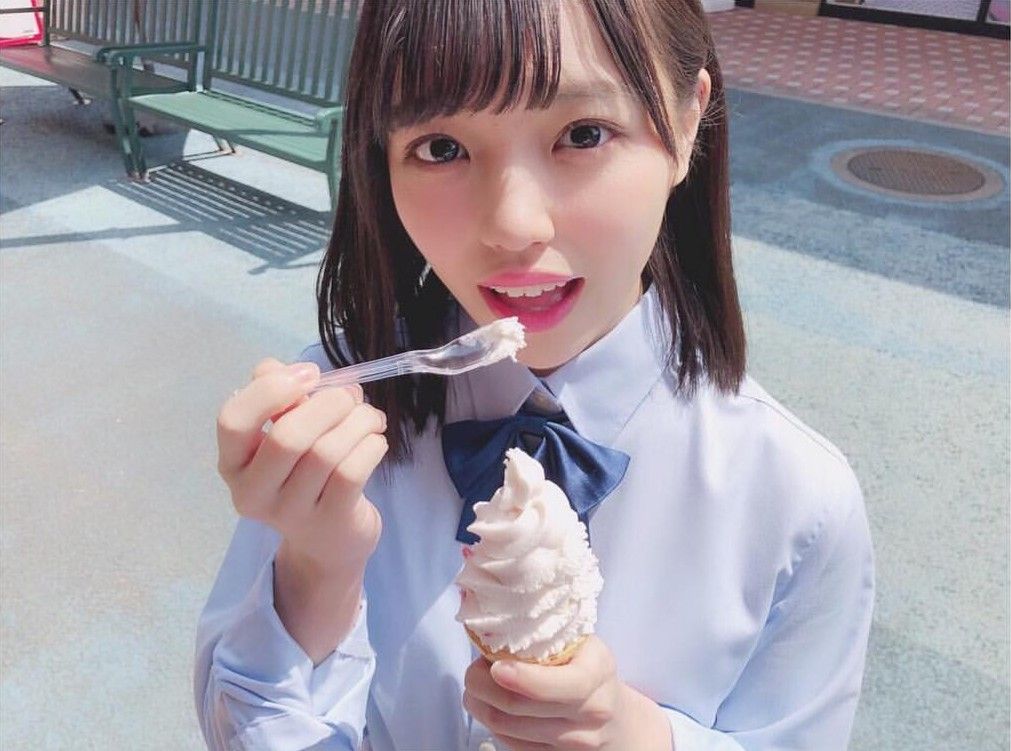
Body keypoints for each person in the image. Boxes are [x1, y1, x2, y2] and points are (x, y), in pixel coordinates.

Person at [196, 0, 875, 749]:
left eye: (583, 134)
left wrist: (637, 737)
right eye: (442, 148)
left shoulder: (798, 500)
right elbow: (237, 725)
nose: (514, 225)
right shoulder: (336, 420)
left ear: (687, 123)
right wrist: (317, 570)